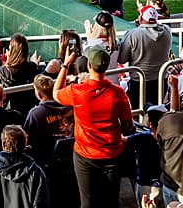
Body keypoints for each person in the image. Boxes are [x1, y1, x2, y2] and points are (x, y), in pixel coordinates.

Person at [54, 45, 134, 208]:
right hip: (112, 154)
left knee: (87, 203)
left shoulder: (78, 92)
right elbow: (127, 127)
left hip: (85, 156)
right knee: (111, 201)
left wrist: (65, 64)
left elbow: (56, 92)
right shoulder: (118, 93)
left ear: (89, 66)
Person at [117, 2, 172, 105]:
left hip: (139, 82)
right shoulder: (167, 31)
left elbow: (122, 59)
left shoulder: (133, 34)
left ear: (141, 18)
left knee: (138, 113)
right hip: (161, 81)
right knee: (156, 111)